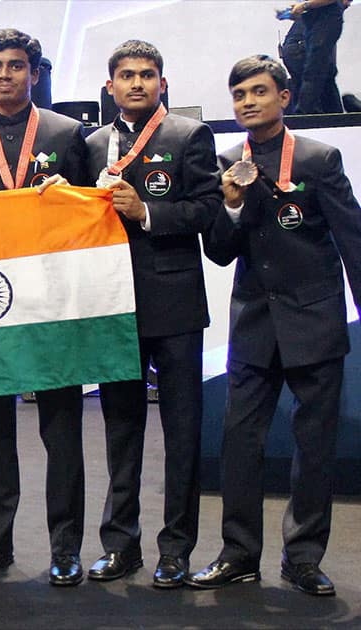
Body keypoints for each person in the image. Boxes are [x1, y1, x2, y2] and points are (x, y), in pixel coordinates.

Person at [189, 54, 361, 597]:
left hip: (314, 321)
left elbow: (353, 239)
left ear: (284, 98)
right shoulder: (225, 163)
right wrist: (232, 207)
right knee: (240, 443)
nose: (248, 102)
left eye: (259, 92)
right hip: (255, 325)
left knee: (314, 448)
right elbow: (218, 251)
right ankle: (238, 554)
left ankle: (303, 558)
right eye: (239, 94)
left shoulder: (318, 158)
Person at [0, 29, 89, 584]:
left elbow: (87, 220)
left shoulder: (67, 134)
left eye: (16, 66)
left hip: (52, 302)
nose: (5, 76)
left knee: (62, 430)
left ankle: (66, 548)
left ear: (34, 72)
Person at [84, 40, 219, 589]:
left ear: (162, 83)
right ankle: (120, 545)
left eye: (147, 75)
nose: (136, 83)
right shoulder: (91, 144)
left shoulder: (189, 136)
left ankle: (176, 548)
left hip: (177, 306)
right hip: (112, 306)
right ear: (110, 84)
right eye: (126, 75)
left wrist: (147, 212)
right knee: (120, 430)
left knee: (182, 432)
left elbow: (209, 209)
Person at [289, 0, 347, 114]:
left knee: (314, 68)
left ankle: (303, 113)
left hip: (325, 17)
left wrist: (305, 5)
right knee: (324, 71)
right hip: (314, 19)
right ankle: (334, 113)